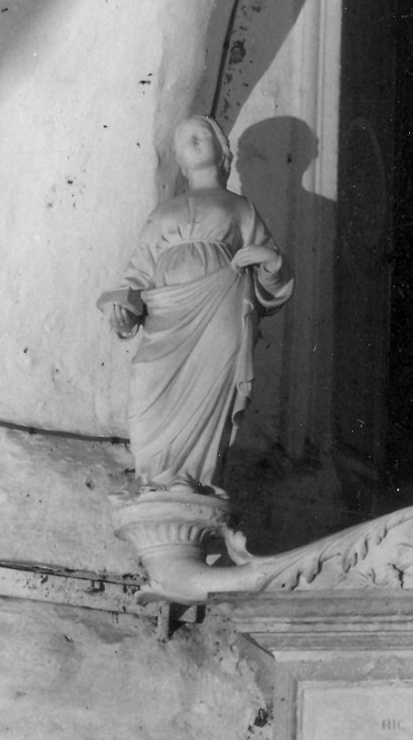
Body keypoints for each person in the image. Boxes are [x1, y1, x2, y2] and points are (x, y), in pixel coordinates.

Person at [99, 116, 293, 493]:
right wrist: (122, 315)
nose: (191, 141)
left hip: (220, 307)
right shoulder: (162, 213)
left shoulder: (240, 208)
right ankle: (156, 478)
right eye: (184, 138)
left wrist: (268, 263)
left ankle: (193, 479)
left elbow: (273, 279)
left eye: (201, 135)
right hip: (165, 316)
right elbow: (136, 279)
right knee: (146, 387)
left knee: (208, 397)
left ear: (223, 149)